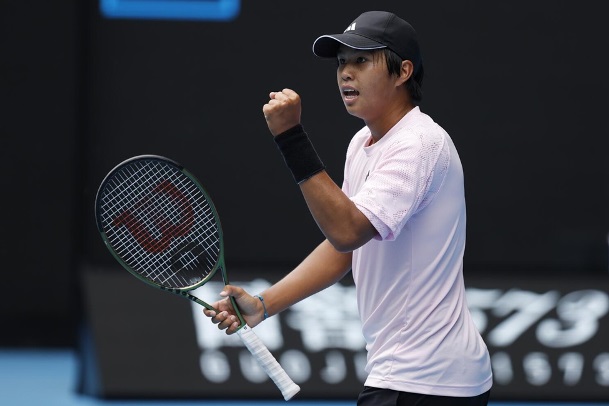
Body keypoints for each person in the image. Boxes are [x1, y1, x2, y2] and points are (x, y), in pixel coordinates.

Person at [204, 10, 493, 406]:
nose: (346, 73)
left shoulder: (418, 144)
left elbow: (347, 231)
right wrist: (263, 305)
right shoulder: (363, 143)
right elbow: (347, 248)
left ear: (403, 71)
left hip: (423, 379)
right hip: (423, 377)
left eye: (361, 60)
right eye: (341, 63)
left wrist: (290, 138)